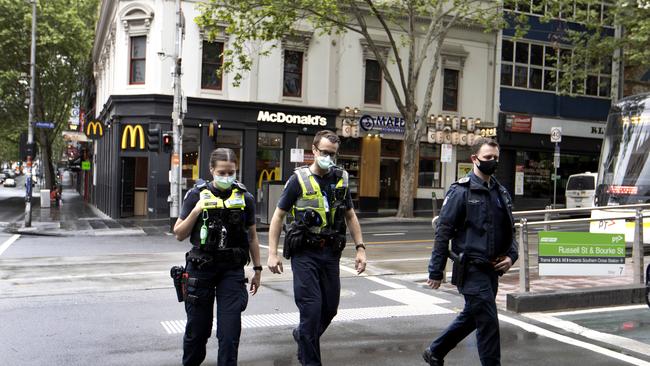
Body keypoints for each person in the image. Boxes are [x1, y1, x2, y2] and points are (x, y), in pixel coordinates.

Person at [267, 130, 367, 366]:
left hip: (331, 254)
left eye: (332, 154)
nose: (328, 158)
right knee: (311, 312)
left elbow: (350, 216)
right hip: (305, 254)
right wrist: (272, 253)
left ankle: (302, 336)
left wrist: (360, 248)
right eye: (324, 153)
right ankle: (310, 359)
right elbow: (278, 216)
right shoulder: (298, 180)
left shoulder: (340, 177)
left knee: (330, 309)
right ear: (313, 151)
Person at [424, 138, 518, 366]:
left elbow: (510, 230)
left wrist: (511, 256)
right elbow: (443, 233)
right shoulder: (460, 191)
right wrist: (436, 271)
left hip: (492, 271)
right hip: (471, 270)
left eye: (496, 158)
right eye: (488, 158)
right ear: (474, 159)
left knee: (472, 317)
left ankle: (435, 352)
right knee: (488, 322)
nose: (493, 162)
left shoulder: (501, 192)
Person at [173, 148, 262, 366]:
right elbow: (179, 233)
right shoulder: (196, 195)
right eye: (221, 172)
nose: (227, 177)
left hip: (231, 270)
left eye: (231, 172)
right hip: (200, 268)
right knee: (198, 331)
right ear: (212, 170)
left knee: (230, 334)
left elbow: (251, 236)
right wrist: (196, 210)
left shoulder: (245, 198)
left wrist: (258, 269)